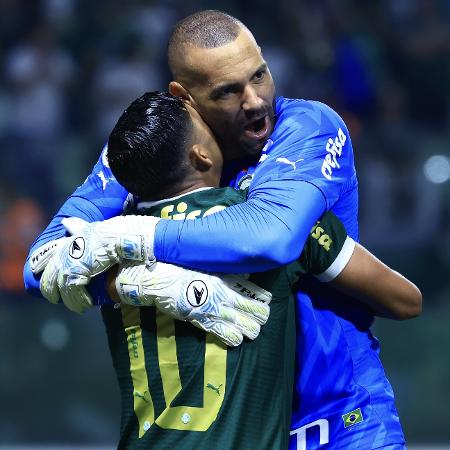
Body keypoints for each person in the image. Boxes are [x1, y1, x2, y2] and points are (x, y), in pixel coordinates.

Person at [24, 10, 420, 449]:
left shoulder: (306, 126)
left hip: (344, 421)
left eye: (260, 75)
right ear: (183, 96)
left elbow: (272, 237)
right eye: (228, 91)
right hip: (236, 433)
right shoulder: (154, 149)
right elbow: (42, 266)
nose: (254, 101)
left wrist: (128, 239)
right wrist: (145, 285)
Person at [104, 91, 420, 448]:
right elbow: (406, 301)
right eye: (205, 124)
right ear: (201, 154)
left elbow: (49, 275)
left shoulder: (106, 247)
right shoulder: (270, 219)